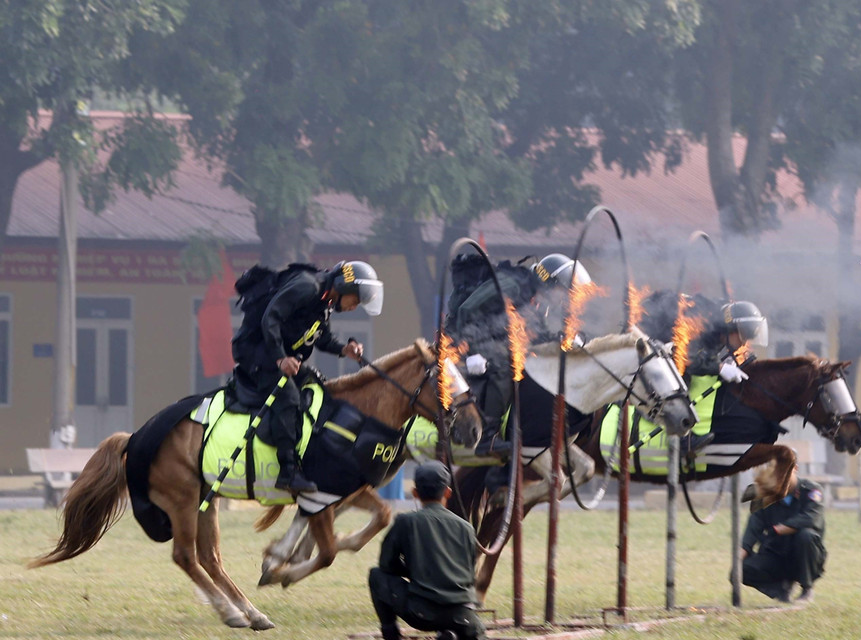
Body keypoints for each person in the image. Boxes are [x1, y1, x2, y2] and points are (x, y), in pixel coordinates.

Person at [231, 260, 383, 494]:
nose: (354, 307)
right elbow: (270, 318)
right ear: (344, 286)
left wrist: (344, 349)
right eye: (355, 300)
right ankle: (287, 473)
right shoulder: (307, 287)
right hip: (255, 350)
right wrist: (280, 359)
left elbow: (321, 338)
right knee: (289, 398)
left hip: (277, 354)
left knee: (318, 386)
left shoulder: (325, 301)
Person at [450, 253, 591, 460]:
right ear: (550, 282)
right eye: (563, 292)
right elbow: (467, 310)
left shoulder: (536, 301)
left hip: (491, 339)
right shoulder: (513, 285)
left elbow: (536, 338)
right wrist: (472, 352)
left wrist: (563, 341)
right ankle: (488, 435)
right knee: (506, 365)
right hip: (465, 338)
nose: (565, 299)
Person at [368, 461, 486, 640]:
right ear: (448, 492)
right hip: (464, 617)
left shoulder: (406, 522)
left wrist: (416, 570)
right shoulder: (466, 528)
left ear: (415, 493)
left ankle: (391, 634)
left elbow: (386, 564)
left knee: (376, 575)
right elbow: (469, 573)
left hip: (422, 614)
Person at [740, 462, 826, 604]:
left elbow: (810, 518)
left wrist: (780, 528)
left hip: (805, 556)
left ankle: (806, 589)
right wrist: (742, 552)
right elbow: (753, 527)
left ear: (795, 468)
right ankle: (781, 591)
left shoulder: (811, 491)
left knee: (806, 536)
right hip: (776, 555)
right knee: (741, 569)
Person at [687, 299, 768, 383]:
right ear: (730, 328)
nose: (744, 344)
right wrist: (720, 368)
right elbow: (686, 360)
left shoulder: (718, 339)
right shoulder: (698, 329)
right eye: (743, 336)